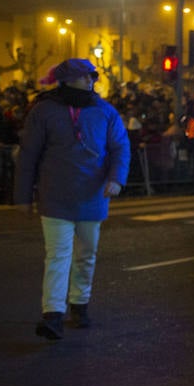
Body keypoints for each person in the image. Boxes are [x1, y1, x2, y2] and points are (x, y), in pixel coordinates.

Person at [14, 59, 130, 339]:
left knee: (86, 255)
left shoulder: (105, 111)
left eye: (92, 76)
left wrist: (116, 179)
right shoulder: (44, 111)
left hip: (93, 195)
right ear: (66, 80)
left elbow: (120, 147)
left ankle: (80, 303)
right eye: (83, 77)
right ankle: (53, 314)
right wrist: (23, 196)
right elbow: (28, 154)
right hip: (55, 196)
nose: (90, 81)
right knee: (58, 255)